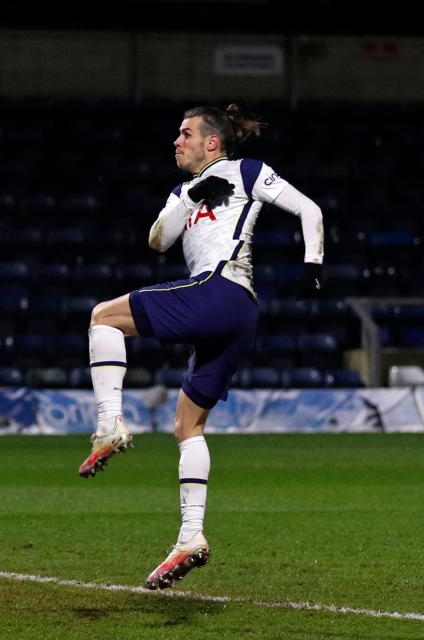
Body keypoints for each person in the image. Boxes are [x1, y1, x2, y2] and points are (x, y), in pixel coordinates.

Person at [77, 105, 324, 590]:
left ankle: (109, 423)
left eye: (186, 133)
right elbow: (158, 240)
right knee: (188, 425)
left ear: (213, 142)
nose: (176, 141)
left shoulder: (246, 170)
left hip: (222, 289)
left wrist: (312, 263)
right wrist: (189, 194)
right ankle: (191, 537)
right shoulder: (183, 190)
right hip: (236, 315)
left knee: (102, 317)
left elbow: (309, 209)